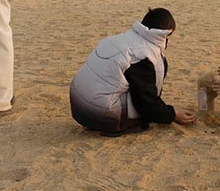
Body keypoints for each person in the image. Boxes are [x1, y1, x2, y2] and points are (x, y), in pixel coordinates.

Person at [69, 8, 197, 135]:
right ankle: (120, 124)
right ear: (166, 33)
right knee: (142, 102)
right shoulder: (143, 55)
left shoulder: (123, 38)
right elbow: (147, 101)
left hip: (77, 107)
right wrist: (172, 115)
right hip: (101, 116)